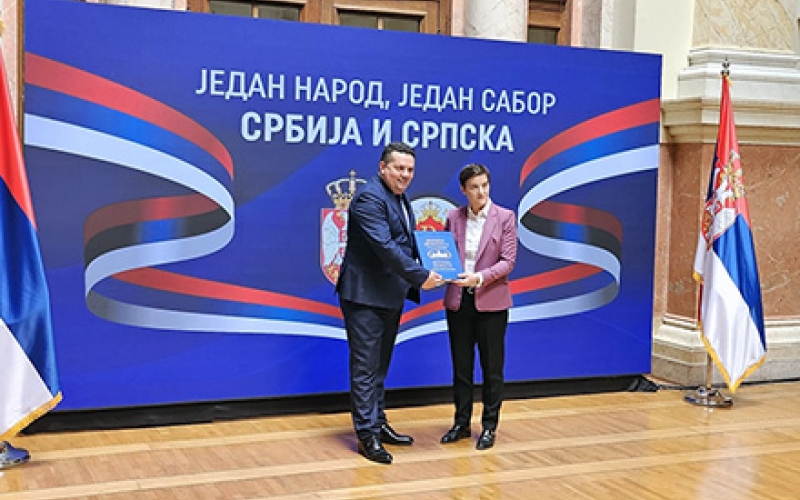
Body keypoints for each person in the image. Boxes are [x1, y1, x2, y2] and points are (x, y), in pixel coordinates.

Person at [336, 142, 443, 464]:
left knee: (379, 367)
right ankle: (366, 435)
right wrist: (421, 275)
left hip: (388, 294)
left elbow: (405, 242)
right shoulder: (369, 198)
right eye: (399, 168)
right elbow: (385, 247)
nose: (405, 175)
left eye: (410, 170)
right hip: (365, 297)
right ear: (382, 167)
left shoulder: (397, 196)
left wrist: (440, 261)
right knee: (366, 368)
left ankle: (378, 423)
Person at [440, 163, 517, 451]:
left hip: (491, 302)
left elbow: (508, 261)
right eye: (474, 187)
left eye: (484, 185)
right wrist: (439, 271)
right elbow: (444, 254)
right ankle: (461, 423)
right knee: (461, 367)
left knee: (491, 368)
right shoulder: (453, 217)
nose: (481, 192)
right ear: (464, 190)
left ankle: (489, 426)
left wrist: (480, 277)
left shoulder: (505, 217)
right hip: (459, 301)